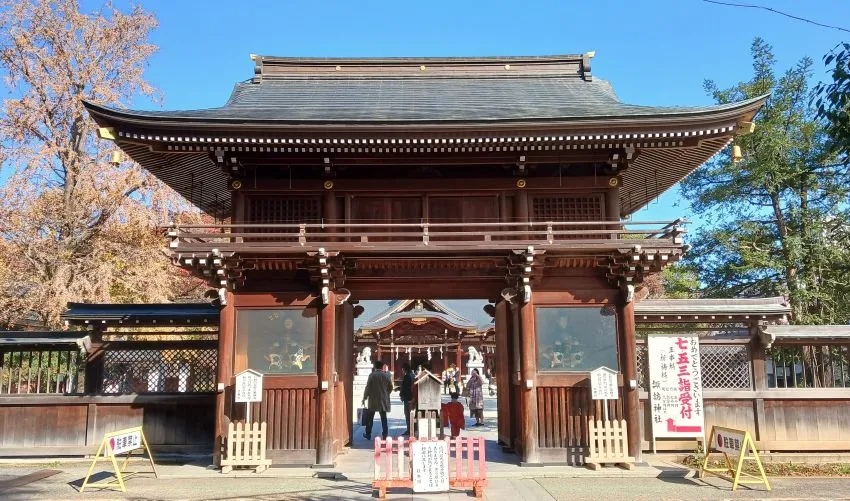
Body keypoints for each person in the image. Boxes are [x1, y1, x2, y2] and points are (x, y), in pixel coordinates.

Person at [361, 360, 393, 440]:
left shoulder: (372, 375)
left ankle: (368, 434)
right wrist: (386, 393)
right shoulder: (386, 376)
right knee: (383, 417)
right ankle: (385, 434)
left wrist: (364, 397)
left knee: (370, 417)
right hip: (383, 400)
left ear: (375, 367)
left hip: (373, 399)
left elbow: (368, 387)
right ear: (382, 367)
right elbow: (390, 387)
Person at [399, 362, 414, 436]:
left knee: (407, 414)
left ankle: (409, 430)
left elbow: (405, 388)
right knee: (412, 414)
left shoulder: (407, 376)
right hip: (413, 398)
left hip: (408, 398)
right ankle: (412, 429)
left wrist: (402, 395)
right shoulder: (413, 375)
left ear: (404, 369)